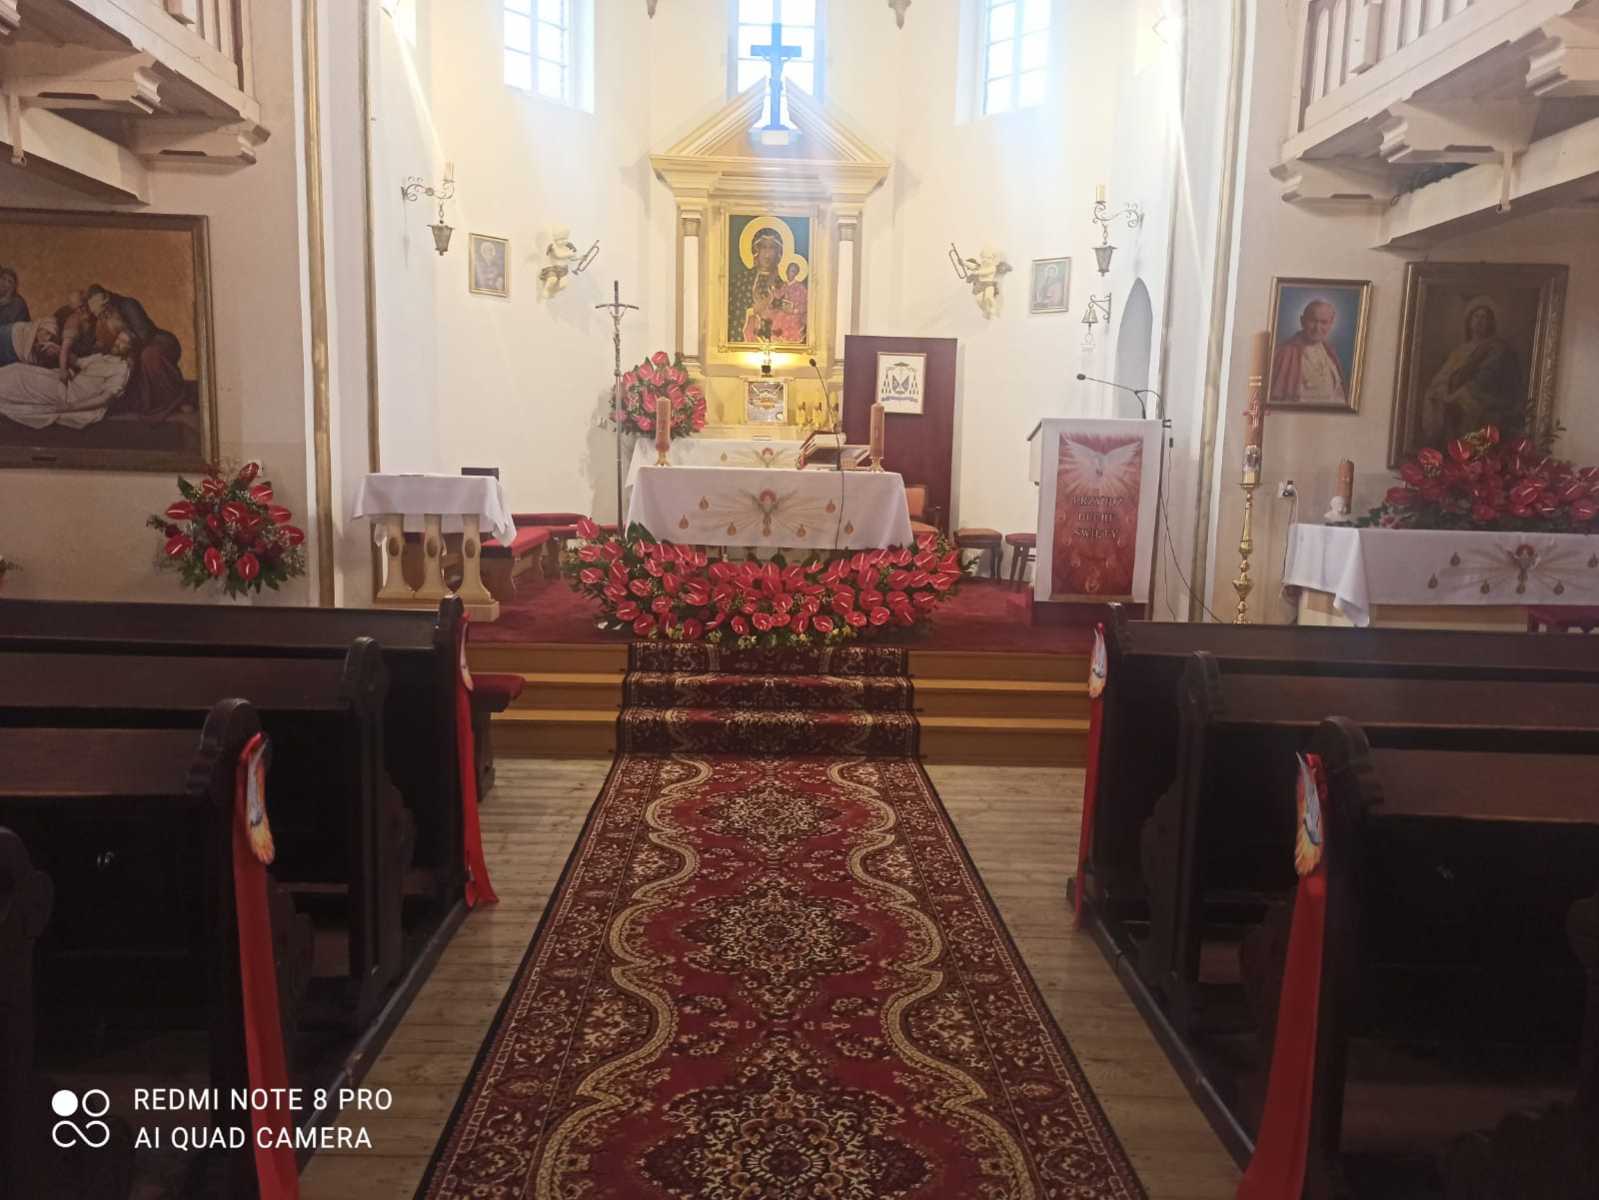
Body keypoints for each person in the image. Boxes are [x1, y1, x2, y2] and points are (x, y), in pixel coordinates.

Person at [70, 284, 188, 420]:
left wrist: (126, 342)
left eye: (105, 312)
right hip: (129, 350)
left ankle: (178, 399)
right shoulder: (100, 316)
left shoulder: (128, 304)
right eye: (100, 315)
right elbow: (95, 344)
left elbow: (144, 333)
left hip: (156, 341)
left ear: (108, 301)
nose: (103, 316)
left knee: (149, 356)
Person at [1422, 298, 1525, 444]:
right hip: (1457, 396)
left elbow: (1486, 379)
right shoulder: (1460, 350)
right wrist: (1439, 390)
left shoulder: (1497, 348)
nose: (1479, 321)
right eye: (1476, 316)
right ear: (1469, 321)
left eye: (1484, 317)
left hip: (1484, 397)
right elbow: (1443, 376)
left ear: (1491, 322)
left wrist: (1457, 395)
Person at [0, 336, 132, 431]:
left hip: (72, 397)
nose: (117, 343)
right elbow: (77, 362)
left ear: (131, 349)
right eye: (118, 339)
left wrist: (69, 407)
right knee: (18, 369)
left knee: (19, 379)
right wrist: (58, 349)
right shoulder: (105, 358)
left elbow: (105, 399)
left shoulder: (122, 370)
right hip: (67, 383)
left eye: (124, 342)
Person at [1269, 299, 1347, 405]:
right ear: (1302, 321)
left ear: (1331, 324)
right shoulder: (1284, 353)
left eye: (1324, 322)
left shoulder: (1330, 351)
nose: (1317, 328)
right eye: (1313, 321)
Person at [740, 226, 807, 343]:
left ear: (779, 253)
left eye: (772, 248)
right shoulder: (742, 279)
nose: (767, 254)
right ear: (756, 251)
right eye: (763, 248)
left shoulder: (781, 281)